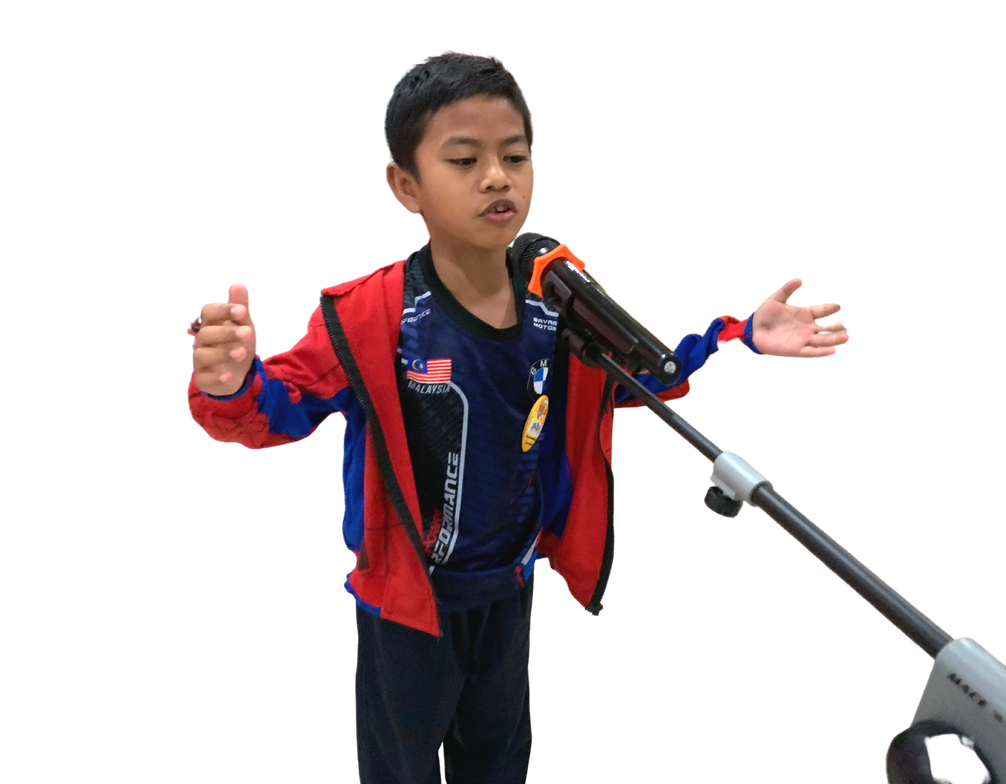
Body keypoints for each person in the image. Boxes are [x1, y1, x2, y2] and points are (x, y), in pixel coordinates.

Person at [185, 50, 849, 784]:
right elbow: (279, 410)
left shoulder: (558, 299)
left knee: (499, 760)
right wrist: (232, 385)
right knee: (399, 767)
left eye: (514, 156)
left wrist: (739, 336)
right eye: (464, 160)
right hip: (407, 604)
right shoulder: (371, 314)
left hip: (509, 585)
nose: (497, 177)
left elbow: (630, 378)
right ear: (406, 185)